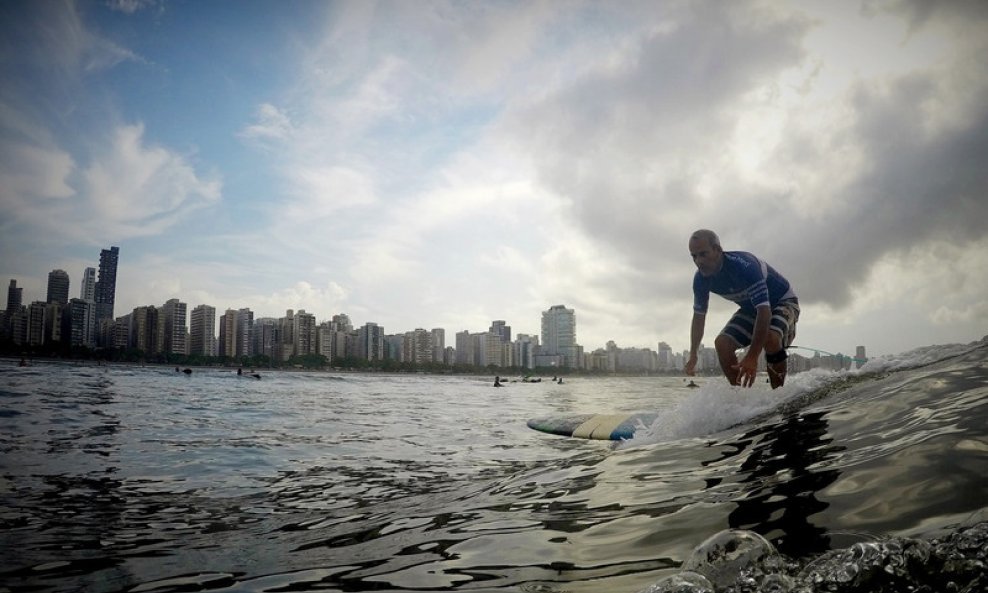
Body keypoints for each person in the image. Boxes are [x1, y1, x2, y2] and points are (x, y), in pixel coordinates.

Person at [684, 229, 799, 389]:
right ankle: (741, 398)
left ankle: (778, 395)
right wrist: (693, 353)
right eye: (694, 256)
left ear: (717, 250)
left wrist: (752, 356)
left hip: (783, 302)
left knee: (770, 338)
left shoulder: (744, 266)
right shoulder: (701, 279)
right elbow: (698, 317)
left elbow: (764, 313)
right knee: (722, 344)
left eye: (703, 254)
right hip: (752, 309)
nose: (698, 261)